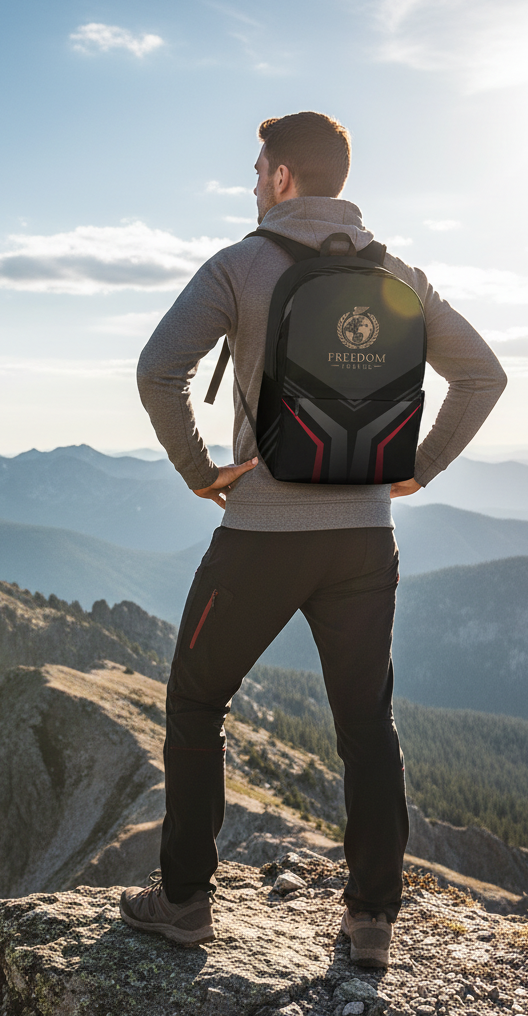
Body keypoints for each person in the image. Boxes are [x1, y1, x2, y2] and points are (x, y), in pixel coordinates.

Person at [118, 111, 507, 966]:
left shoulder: (239, 265)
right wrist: (419, 469)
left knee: (194, 701)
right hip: (366, 539)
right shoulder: (398, 273)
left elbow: (157, 369)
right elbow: (483, 375)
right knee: (367, 724)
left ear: (285, 177)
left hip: (261, 533)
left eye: (259, 170)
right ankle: (371, 918)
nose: (254, 183)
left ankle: (183, 902)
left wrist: (196, 470)